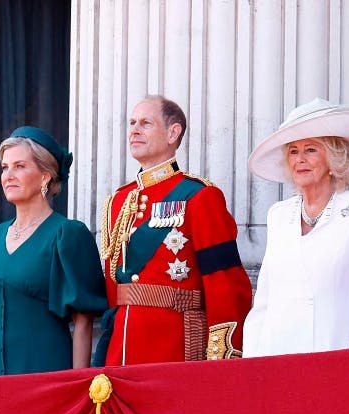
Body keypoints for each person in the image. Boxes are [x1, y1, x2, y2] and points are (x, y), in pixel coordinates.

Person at [93, 95, 253, 365]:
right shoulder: (118, 202)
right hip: (120, 347)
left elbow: (224, 283)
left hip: (175, 345)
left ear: (173, 132)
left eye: (145, 123)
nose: (134, 129)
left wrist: (220, 358)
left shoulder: (200, 196)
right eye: (132, 122)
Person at [243, 99, 349, 357]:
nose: (300, 159)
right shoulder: (278, 215)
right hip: (276, 357)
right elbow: (264, 302)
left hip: (334, 357)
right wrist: (251, 362)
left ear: (333, 157)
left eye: (311, 150)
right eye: (293, 151)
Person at [0, 127, 108, 375]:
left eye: (19, 166)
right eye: (5, 167)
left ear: (45, 176)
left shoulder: (67, 235)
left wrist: (79, 385)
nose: (8, 175)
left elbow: (83, 321)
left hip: (45, 373)